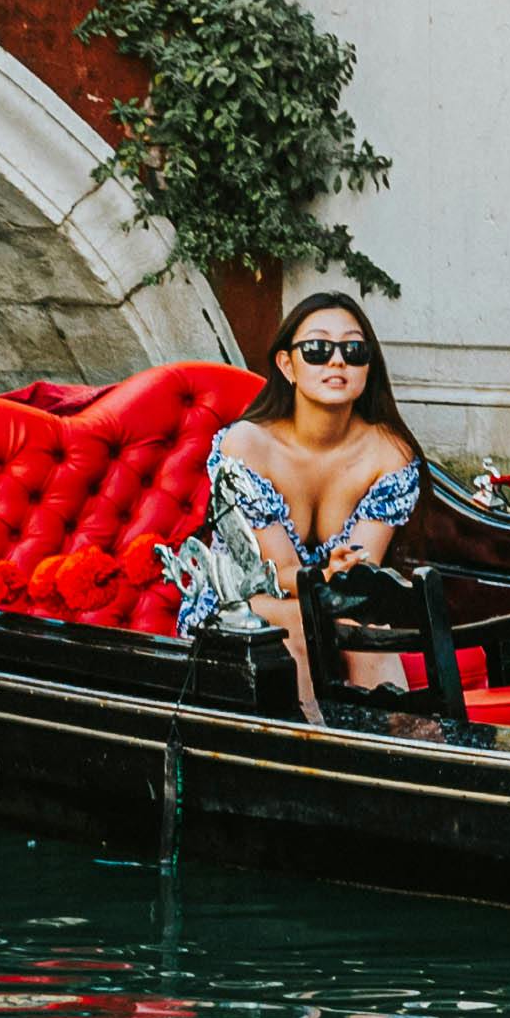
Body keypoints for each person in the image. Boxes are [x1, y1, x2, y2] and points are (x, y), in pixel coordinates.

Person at [192, 290, 429, 715]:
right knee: (303, 624)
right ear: (288, 365)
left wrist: (346, 573)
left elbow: (362, 573)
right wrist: (326, 575)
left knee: (363, 628)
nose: (337, 362)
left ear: (368, 365)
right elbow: (275, 573)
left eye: (354, 350)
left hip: (328, 603)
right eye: (318, 349)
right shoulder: (248, 445)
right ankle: (311, 758)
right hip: (240, 604)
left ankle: (404, 759)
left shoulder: (388, 453)